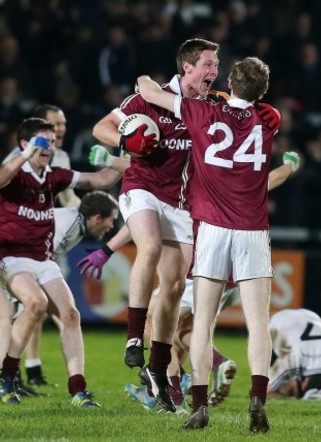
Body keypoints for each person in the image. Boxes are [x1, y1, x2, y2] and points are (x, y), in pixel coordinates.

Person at [85, 146, 301, 411]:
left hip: (203, 264)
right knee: (181, 328)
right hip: (234, 270)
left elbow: (148, 177)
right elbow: (270, 181)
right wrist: (289, 166)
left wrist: (109, 160)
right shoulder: (238, 184)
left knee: (157, 317)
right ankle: (176, 384)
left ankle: (178, 386)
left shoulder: (197, 179)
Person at [136, 56, 276, 432]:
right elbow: (252, 103)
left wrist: (144, 76)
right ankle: (258, 398)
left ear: (230, 80)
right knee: (258, 324)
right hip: (252, 230)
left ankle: (199, 406)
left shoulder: (199, 112)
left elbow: (150, 92)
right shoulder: (270, 118)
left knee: (204, 326)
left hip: (212, 229)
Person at [91, 38, 225, 413]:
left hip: (180, 202)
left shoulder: (209, 105)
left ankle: (158, 368)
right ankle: (135, 338)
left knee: (175, 285)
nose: (215, 72)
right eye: (209, 65)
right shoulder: (148, 99)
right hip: (142, 188)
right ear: (187, 67)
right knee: (147, 247)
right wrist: (125, 141)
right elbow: (101, 127)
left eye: (217, 65)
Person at [0, 117, 120, 407]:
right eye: (43, 140)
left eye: (52, 140)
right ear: (25, 144)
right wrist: (23, 156)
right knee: (35, 304)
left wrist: (119, 156)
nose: (50, 146)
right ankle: (6, 375)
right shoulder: (17, 173)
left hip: (41, 258)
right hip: (9, 255)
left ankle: (78, 390)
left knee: (71, 316)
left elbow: (100, 180)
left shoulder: (53, 175)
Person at [0, 190, 119, 387]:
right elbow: (36, 259)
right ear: (97, 218)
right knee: (12, 312)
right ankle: (9, 378)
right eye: (111, 220)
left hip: (8, 254)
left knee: (28, 311)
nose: (111, 226)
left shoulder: (75, 223)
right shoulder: (68, 226)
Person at [0, 104, 80, 387]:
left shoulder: (57, 158)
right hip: (9, 247)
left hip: (40, 245)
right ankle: (11, 369)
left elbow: (71, 191)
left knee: (47, 311)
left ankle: (49, 375)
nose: (61, 129)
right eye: (55, 125)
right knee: (27, 307)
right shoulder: (21, 157)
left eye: (62, 125)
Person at [267, 308, 321, 401]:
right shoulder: (291, 361)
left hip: (311, 316)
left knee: (284, 384)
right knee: (284, 387)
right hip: (277, 322)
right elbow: (265, 392)